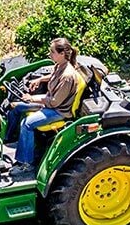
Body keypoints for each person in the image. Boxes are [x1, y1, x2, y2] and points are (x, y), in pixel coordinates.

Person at [5, 38, 85, 175]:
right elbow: (53, 76)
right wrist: (40, 79)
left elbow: (54, 102)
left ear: (61, 54)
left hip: (59, 111)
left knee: (27, 123)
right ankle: (11, 140)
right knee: (16, 107)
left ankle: (26, 163)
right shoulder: (59, 65)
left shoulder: (68, 76)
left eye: (52, 52)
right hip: (50, 104)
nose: (50, 54)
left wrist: (32, 98)